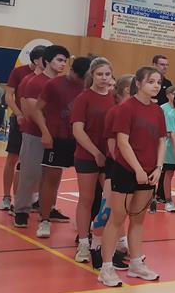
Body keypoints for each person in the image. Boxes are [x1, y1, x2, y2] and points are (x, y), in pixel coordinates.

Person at [98, 66, 166, 287]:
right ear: (138, 83)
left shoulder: (158, 111)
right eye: (151, 81)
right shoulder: (126, 108)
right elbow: (122, 142)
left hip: (149, 173)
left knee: (138, 220)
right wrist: (137, 169)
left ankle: (136, 264)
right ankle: (106, 268)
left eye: (158, 82)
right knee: (117, 219)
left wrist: (158, 167)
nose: (156, 85)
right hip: (126, 171)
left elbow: (161, 141)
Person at [12, 45, 70, 231]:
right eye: (59, 60)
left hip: (57, 137)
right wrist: (45, 130)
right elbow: (31, 109)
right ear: (47, 60)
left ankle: (47, 208)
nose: (63, 64)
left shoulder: (62, 84)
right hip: (35, 133)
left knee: (52, 176)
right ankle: (21, 210)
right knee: (30, 173)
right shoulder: (35, 82)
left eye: (65, 61)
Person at [35, 54, 88, 239]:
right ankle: (44, 219)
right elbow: (37, 109)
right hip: (57, 137)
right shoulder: (54, 84)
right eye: (79, 77)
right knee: (51, 179)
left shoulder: (88, 86)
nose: (81, 81)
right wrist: (45, 132)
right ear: (72, 70)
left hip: (80, 139)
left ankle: (84, 219)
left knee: (86, 182)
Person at [71, 58, 114, 263]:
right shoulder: (84, 98)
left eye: (107, 74)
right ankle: (83, 243)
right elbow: (77, 130)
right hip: (87, 156)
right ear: (92, 75)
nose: (104, 78)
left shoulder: (114, 98)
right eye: (99, 74)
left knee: (111, 201)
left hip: (110, 157)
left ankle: (108, 242)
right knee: (86, 200)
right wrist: (96, 153)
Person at [88, 74, 133, 270]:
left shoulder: (131, 111)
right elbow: (113, 145)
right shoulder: (116, 111)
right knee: (107, 210)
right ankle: (95, 247)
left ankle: (116, 248)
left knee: (119, 212)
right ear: (127, 90)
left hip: (128, 167)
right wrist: (125, 163)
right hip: (116, 167)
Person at [0, 46, 46, 212]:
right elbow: (9, 96)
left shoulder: (48, 76)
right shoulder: (19, 72)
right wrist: (18, 114)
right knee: (13, 158)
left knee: (36, 162)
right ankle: (6, 197)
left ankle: (32, 199)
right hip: (20, 120)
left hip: (38, 123)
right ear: (37, 60)